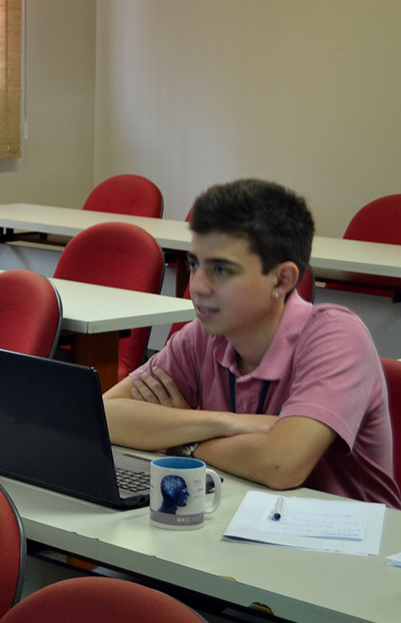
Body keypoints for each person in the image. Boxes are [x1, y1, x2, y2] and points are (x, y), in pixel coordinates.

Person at [104, 178, 401, 508]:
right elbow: (104, 416)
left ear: (282, 279)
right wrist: (220, 422)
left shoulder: (337, 338)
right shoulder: (203, 335)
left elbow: (280, 465)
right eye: (195, 264)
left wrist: (182, 443)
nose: (197, 286)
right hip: (244, 514)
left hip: (346, 532)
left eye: (221, 270)